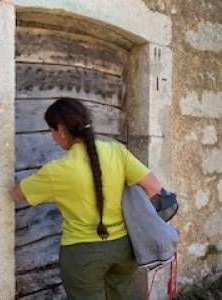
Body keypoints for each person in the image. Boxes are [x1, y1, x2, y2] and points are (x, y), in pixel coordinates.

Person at [12, 98, 162, 300]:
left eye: (52, 130)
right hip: (125, 248)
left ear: (62, 130)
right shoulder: (117, 151)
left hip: (83, 255)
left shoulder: (57, 170)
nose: (52, 136)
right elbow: (154, 187)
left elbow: (17, 194)